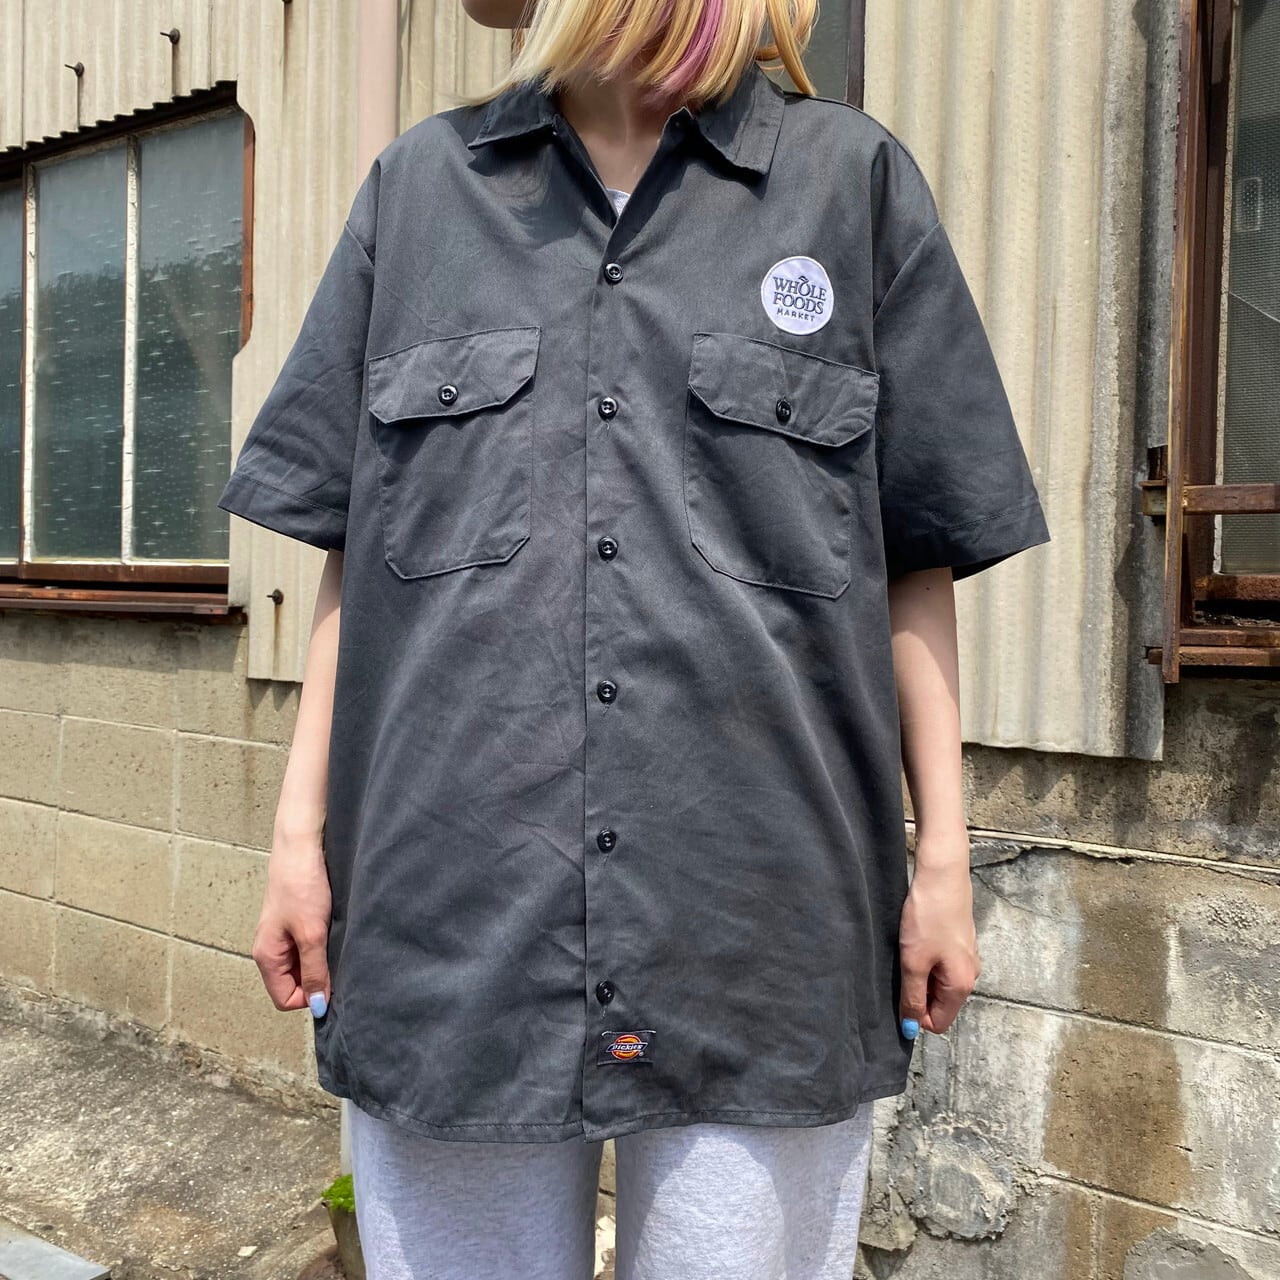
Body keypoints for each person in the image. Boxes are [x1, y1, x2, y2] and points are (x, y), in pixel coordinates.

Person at [216, 0, 1051, 1275]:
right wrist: (296, 841)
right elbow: (356, 553)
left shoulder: (849, 185)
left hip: (758, 930)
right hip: (450, 919)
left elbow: (913, 558)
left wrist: (943, 856)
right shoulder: (420, 193)